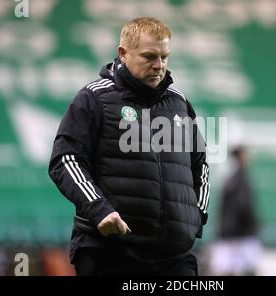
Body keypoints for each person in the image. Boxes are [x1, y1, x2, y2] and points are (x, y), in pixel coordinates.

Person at [48, 17, 209, 276]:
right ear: (123, 53)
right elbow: (65, 160)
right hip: (110, 252)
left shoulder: (180, 103)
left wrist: (195, 216)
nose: (159, 66)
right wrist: (100, 210)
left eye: (164, 57)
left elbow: (200, 165)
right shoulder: (94, 98)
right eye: (149, 57)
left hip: (173, 258)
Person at [208, 146, 262, 275]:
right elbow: (243, 206)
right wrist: (254, 223)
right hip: (240, 234)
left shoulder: (229, 179)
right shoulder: (241, 180)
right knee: (248, 269)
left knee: (228, 270)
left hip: (229, 233)